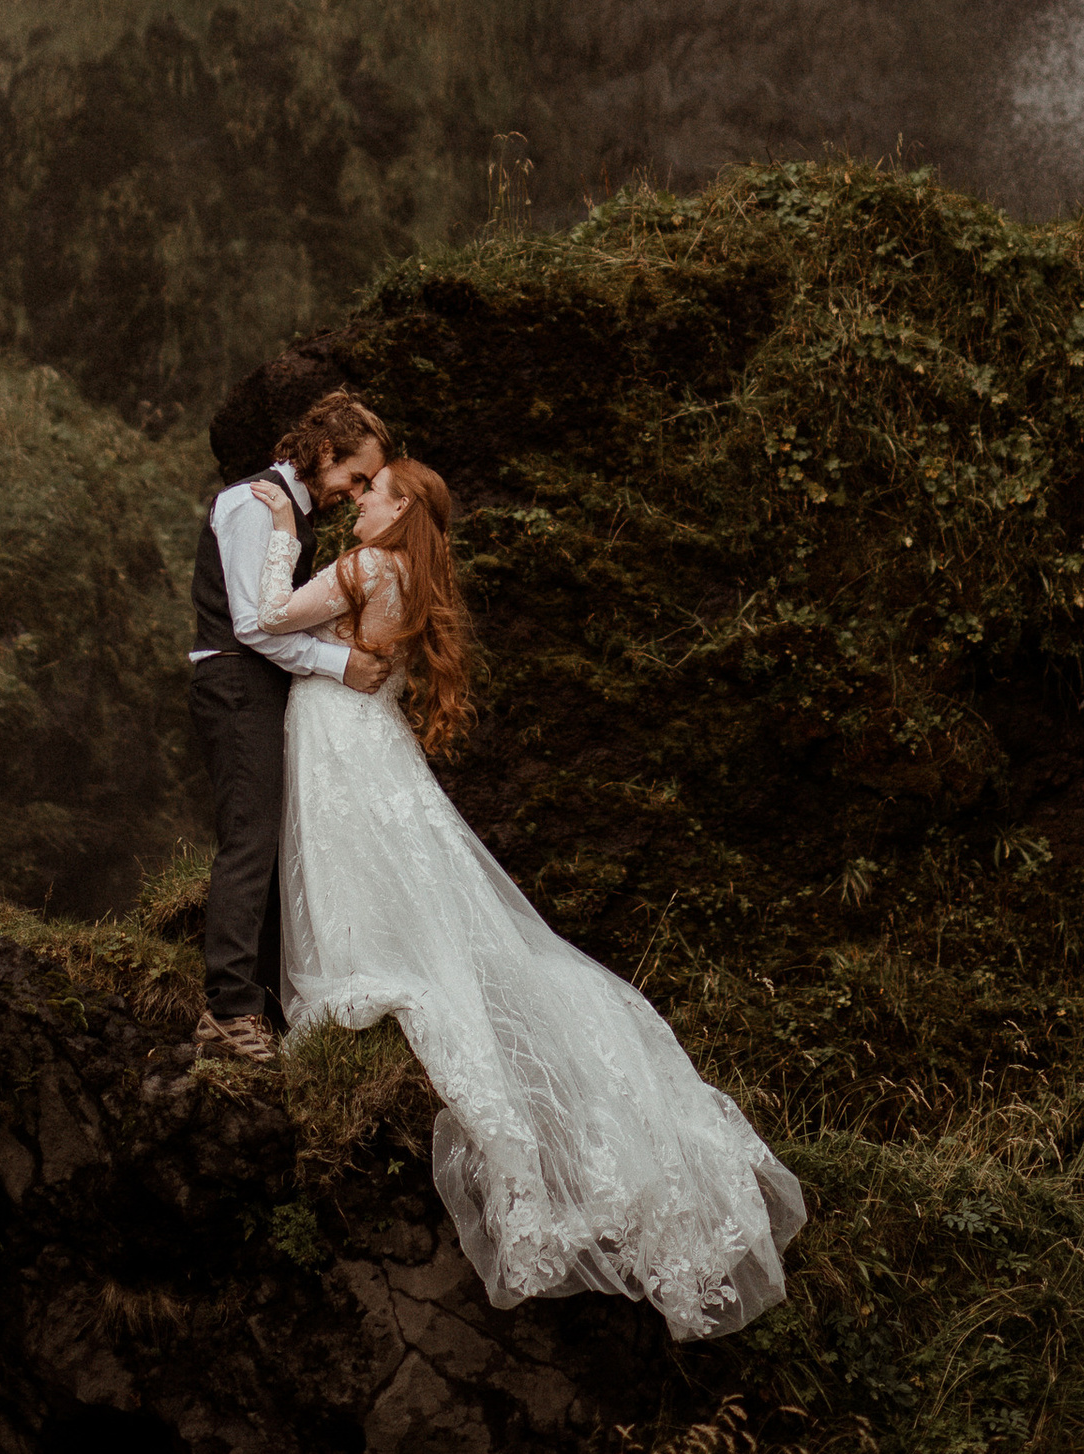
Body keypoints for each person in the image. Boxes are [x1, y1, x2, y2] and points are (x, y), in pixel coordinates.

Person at [249, 453, 807, 1343]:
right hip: (373, 736)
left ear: (397, 514)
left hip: (338, 739)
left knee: (355, 860)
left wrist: (281, 536)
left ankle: (359, 972)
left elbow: (271, 617)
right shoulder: (408, 575)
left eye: (374, 494)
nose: (358, 504)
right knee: (408, 870)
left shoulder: (362, 566)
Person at [187, 386, 395, 1063]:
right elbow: (252, 627)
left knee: (271, 840)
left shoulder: (289, 514)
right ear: (326, 451)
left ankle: (260, 1003)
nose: (354, 492)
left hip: (261, 684)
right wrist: (341, 665)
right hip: (236, 681)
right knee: (249, 840)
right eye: (355, 475)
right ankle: (228, 1010)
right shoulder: (252, 504)